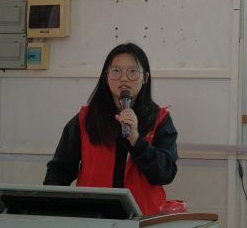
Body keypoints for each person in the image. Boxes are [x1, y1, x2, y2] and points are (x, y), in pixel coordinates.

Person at [44, 42, 178, 215]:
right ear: (106, 76)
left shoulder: (160, 120)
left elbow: (165, 173)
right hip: (93, 218)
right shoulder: (85, 119)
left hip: (142, 221)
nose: (124, 78)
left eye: (132, 71)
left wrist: (136, 140)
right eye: (116, 71)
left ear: (145, 78)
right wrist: (51, 208)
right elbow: (60, 170)